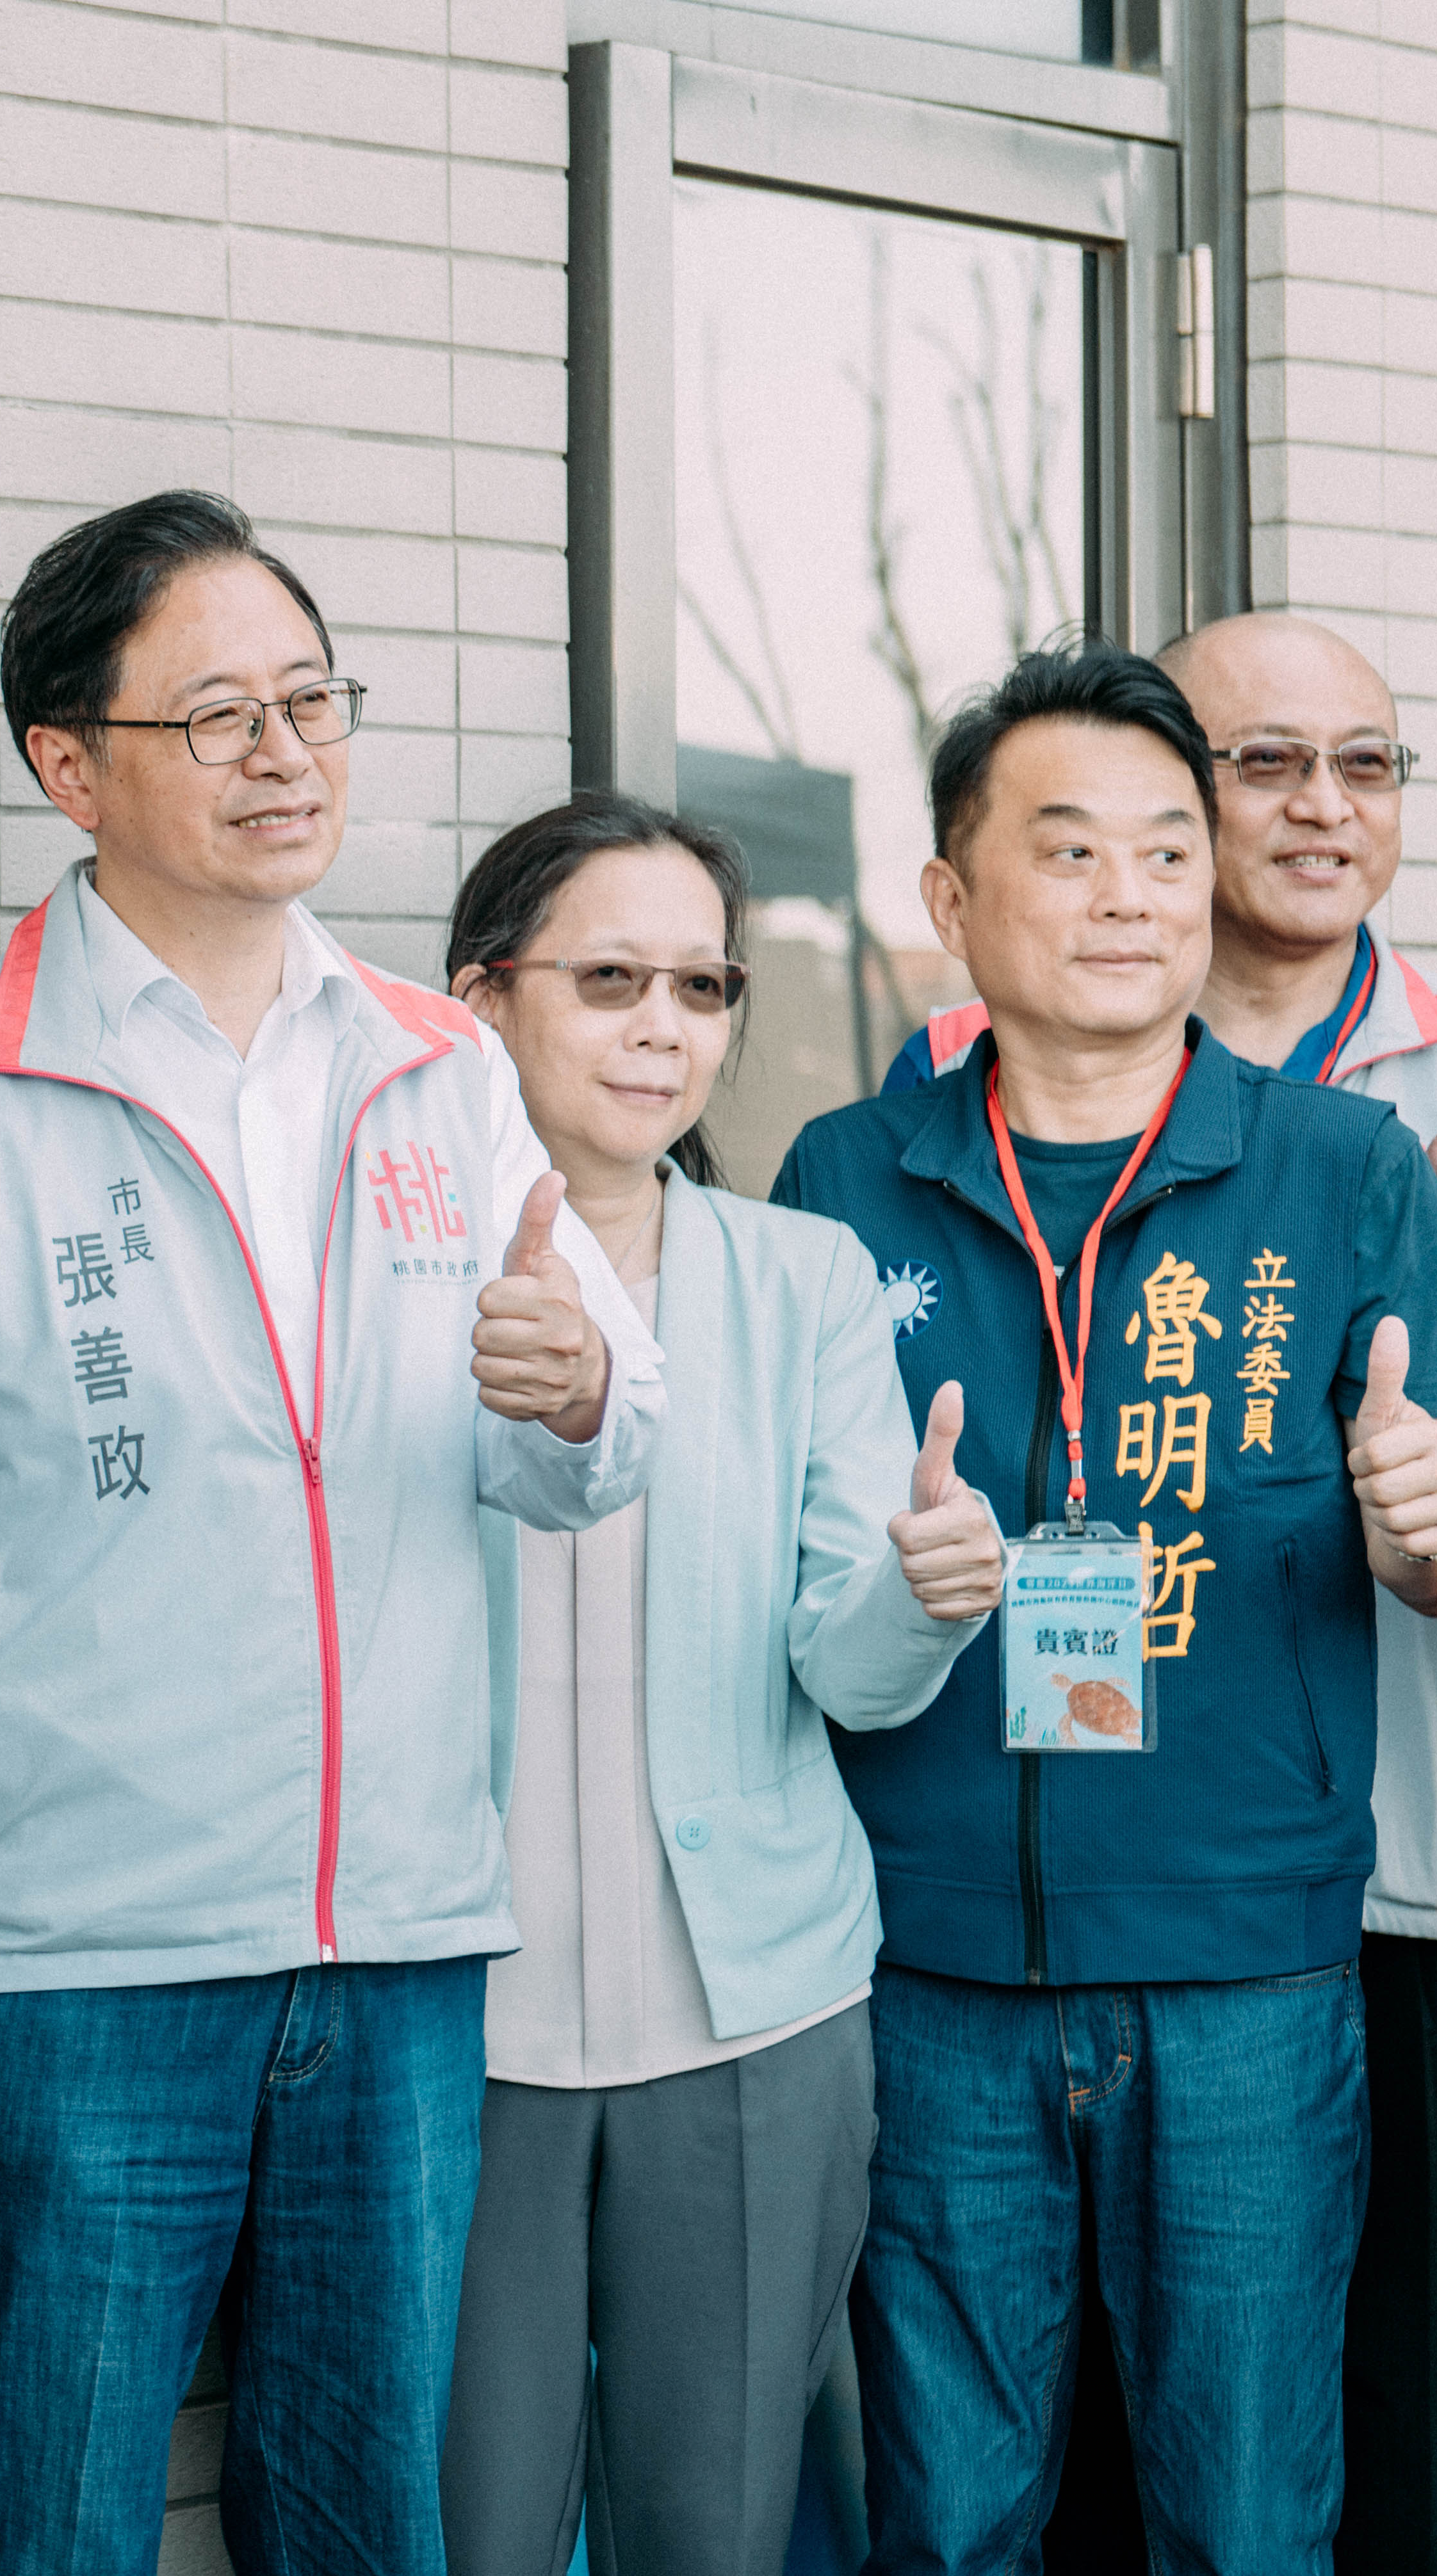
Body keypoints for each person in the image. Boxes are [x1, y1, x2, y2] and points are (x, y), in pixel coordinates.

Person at [0, 489, 662, 2576]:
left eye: (313, 704)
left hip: (404, 1948)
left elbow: (599, 1447)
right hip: (81, 1963)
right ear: (68, 766)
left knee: (367, 2530)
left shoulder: (441, 1066)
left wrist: (578, 1392)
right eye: (222, 719)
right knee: (51, 2523)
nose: (287, 758)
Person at [774, 641, 1437, 2572]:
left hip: (1250, 1971)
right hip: (931, 1978)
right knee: (954, 2518)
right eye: (1071, 851)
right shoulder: (844, 1180)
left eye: (1169, 855)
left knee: (1251, 2515)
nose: (1130, 899)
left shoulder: (1344, 1169)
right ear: (952, 897)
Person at [430, 792, 999, 2576]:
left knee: (719, 2527)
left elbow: (849, 1660)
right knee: (458, 2526)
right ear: (480, 997)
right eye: (608, 979)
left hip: (755, 2014)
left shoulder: (801, 1277)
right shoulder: (377, 1262)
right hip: (454, 2021)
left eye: (701, 983)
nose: (663, 1026)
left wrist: (927, 1591)